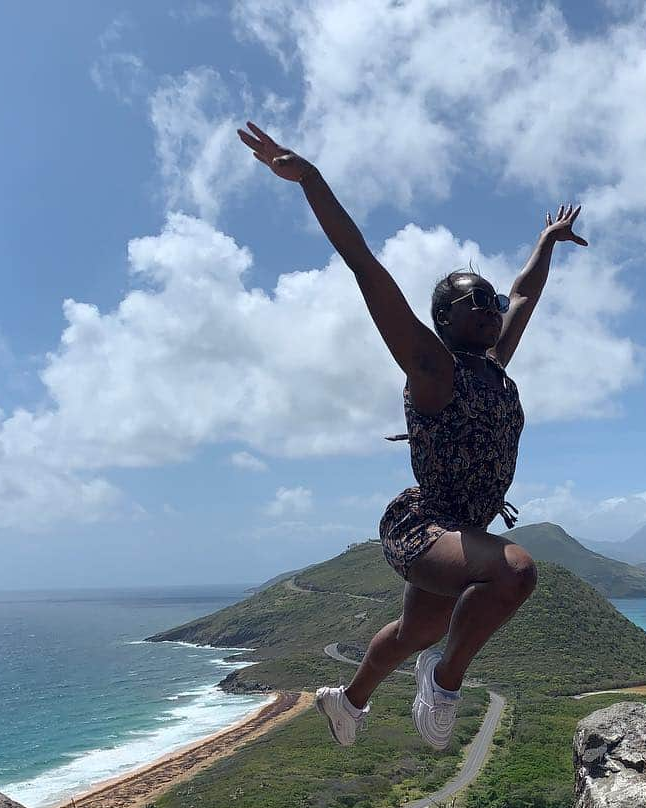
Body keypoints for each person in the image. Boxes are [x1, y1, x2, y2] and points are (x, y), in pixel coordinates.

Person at [237, 121, 587, 752]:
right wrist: (312, 181)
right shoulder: (432, 369)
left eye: (488, 301)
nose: (488, 306)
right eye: (470, 302)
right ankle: (444, 685)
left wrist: (546, 241)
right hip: (426, 530)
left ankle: (347, 702)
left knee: (411, 632)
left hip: (465, 529)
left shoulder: (493, 364)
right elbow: (365, 266)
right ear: (444, 321)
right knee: (515, 575)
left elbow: (523, 294)